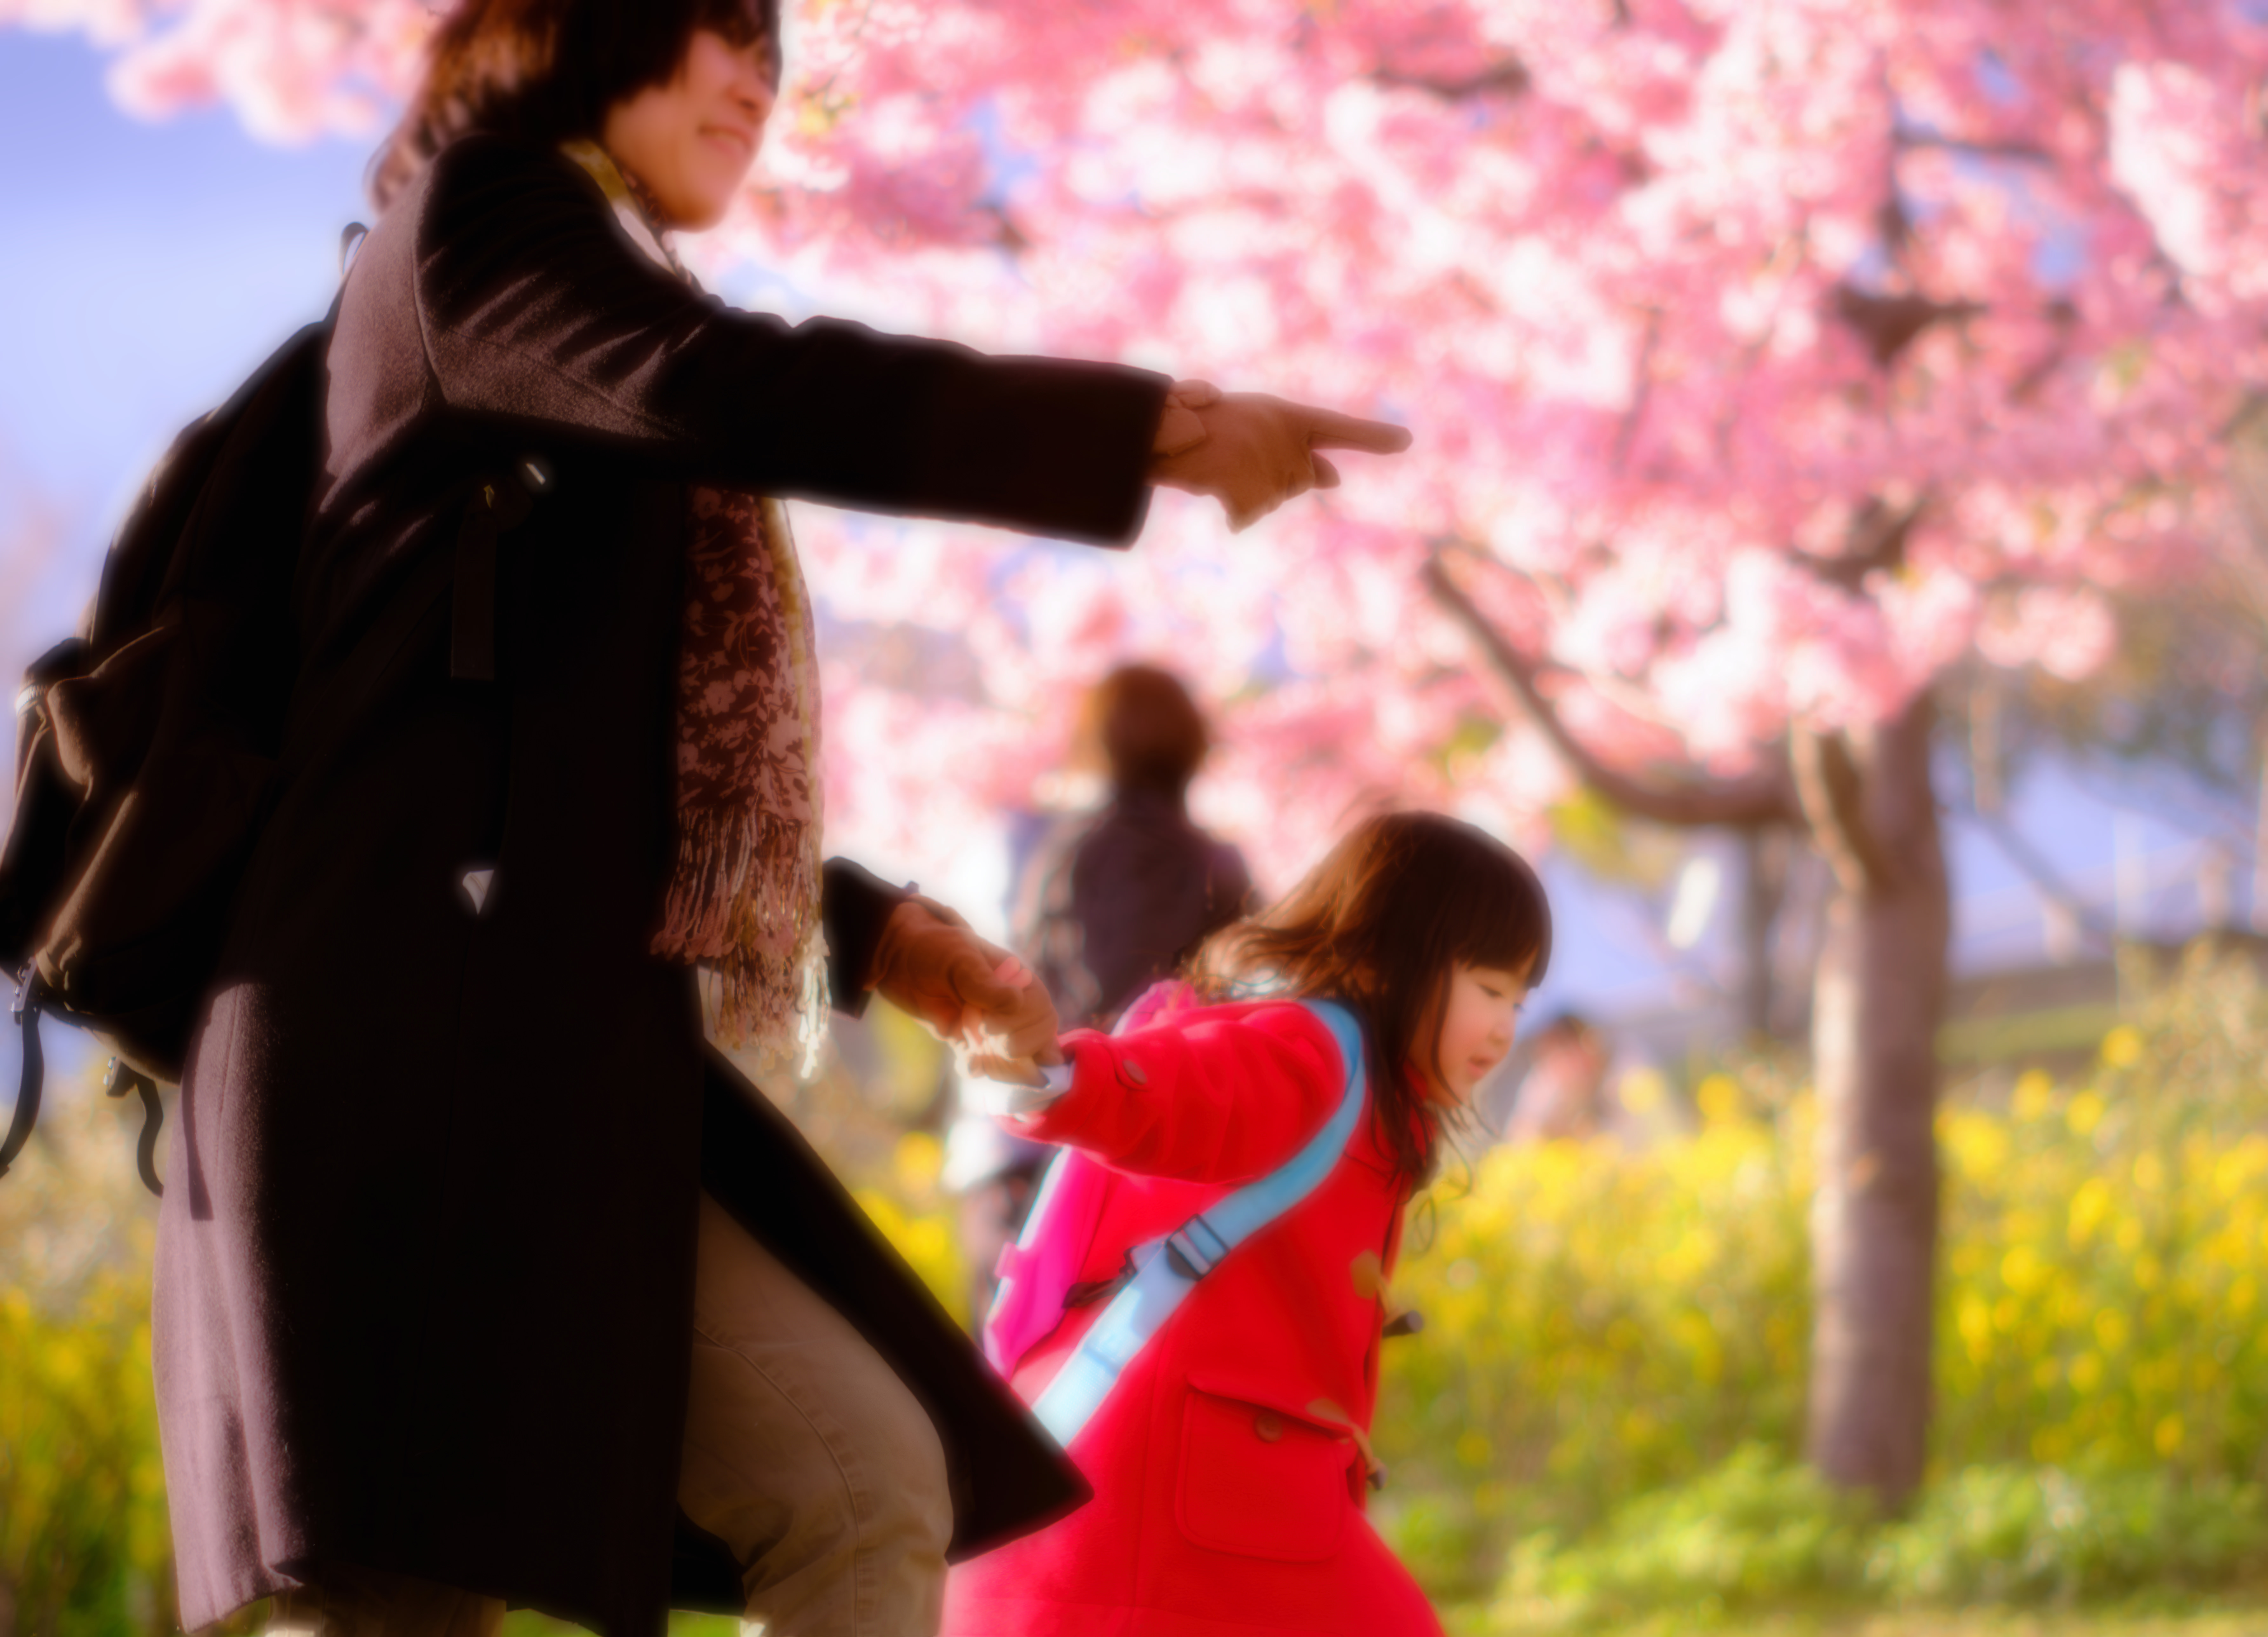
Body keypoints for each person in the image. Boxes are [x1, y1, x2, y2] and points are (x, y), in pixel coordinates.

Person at [148, 3, 1413, 1635]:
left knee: (862, 1481)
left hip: (543, 1067)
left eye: (776, 48)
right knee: (405, 1605)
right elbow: (731, 386)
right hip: (388, 1066)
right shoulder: (486, 220)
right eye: (722, 31)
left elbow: (596, 762)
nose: (759, 79)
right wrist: (1150, 429)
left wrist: (873, 932)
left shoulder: (580, 285)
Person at [942, 812, 1553, 1636]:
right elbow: (1182, 1093)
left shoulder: (1371, 1091)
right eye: (1488, 988)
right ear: (1393, 956)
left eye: (1520, 998)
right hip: (1176, 1502)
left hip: (1225, 1495)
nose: (1507, 1027)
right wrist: (1051, 1073)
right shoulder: (1313, 1050)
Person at [946, 664, 1253, 1318]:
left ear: (1094, 744)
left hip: (1020, 1151)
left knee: (1006, 1366)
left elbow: (978, 986)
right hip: (1156, 1182)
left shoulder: (1032, 845)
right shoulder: (1221, 869)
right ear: (1194, 747)